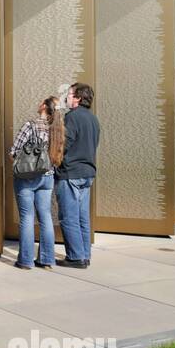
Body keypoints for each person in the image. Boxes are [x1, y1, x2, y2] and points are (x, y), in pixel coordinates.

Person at [9, 96, 64, 270]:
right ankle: (47, 260)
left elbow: (14, 151)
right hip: (47, 177)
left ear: (44, 107)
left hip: (26, 178)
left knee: (27, 217)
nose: (38, 103)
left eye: (41, 101)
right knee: (46, 217)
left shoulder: (30, 125)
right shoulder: (57, 129)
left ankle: (26, 261)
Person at [55, 82, 100, 268]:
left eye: (70, 94)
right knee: (82, 218)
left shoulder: (72, 117)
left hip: (71, 173)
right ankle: (84, 255)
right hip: (87, 172)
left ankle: (75, 257)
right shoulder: (93, 119)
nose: (67, 96)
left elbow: (65, 143)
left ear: (78, 98)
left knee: (68, 217)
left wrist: (56, 160)